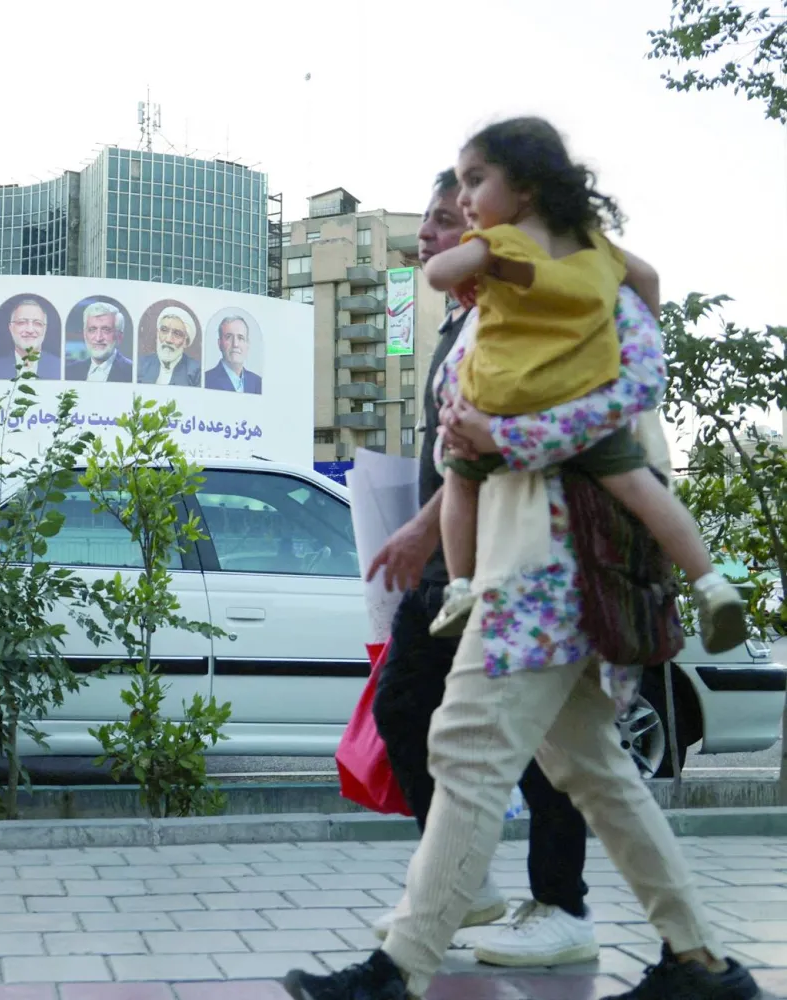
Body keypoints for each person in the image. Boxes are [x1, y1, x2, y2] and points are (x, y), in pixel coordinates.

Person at [284, 160, 760, 1000]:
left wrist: (500, 440)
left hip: (547, 570)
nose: (457, 216)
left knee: (464, 749)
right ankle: (701, 961)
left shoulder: (575, 293)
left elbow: (614, 417)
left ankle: (398, 969)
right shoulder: (500, 307)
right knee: (598, 772)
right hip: (526, 564)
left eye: (473, 194)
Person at [364, 169, 596, 971]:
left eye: (440, 221)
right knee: (410, 711)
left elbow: (494, 447)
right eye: (424, 223)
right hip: (455, 560)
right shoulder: (451, 328)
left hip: (511, 555)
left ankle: (561, 905)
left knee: (546, 740)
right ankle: (470, 887)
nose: (424, 238)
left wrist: (419, 533)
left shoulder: (517, 313)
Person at [422, 118, 743, 652]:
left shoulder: (501, 243)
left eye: (475, 180)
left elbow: (437, 274)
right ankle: (710, 581)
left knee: (459, 477)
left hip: (505, 406)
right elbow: (648, 280)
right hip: (585, 405)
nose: (464, 196)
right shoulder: (596, 250)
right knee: (642, 489)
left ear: (525, 188)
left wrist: (477, 254)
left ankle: (460, 586)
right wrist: (631, 331)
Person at [0, 297, 61, 380]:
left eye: (37, 323)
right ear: (11, 328)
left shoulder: (59, 368)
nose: (30, 330)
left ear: (45, 329)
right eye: (22, 322)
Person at [65, 301, 134, 382]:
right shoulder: (70, 372)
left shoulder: (132, 373)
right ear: (84, 335)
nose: (98, 338)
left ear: (119, 337)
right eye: (92, 330)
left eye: (106, 330)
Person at [136, 307, 202, 386]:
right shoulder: (141, 364)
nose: (168, 340)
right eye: (164, 330)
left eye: (177, 333)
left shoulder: (196, 372)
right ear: (157, 333)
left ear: (185, 342)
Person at [203, 315, 262, 393]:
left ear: (247, 344)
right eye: (229, 337)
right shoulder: (206, 380)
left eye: (240, 338)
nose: (235, 344)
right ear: (219, 343)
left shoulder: (258, 382)